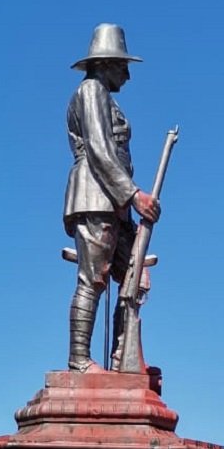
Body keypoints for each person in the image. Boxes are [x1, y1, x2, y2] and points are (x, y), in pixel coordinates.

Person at [63, 24, 161, 372]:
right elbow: (101, 152)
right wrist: (135, 195)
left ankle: (125, 355)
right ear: (105, 63)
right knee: (93, 278)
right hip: (95, 197)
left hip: (113, 203)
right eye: (123, 66)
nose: (128, 75)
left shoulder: (105, 96)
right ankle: (79, 360)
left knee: (135, 276)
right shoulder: (91, 91)